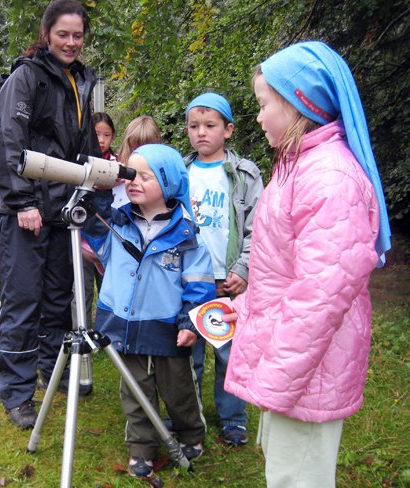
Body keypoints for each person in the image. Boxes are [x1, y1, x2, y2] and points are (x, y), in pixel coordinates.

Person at [224, 41, 391, 487]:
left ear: (299, 103)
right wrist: (245, 308)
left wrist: (276, 379)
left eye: (263, 105)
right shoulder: (298, 166)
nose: (257, 117)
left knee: (298, 478)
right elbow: (282, 268)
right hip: (295, 362)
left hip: (305, 371)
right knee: (286, 469)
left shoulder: (329, 178)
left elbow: (321, 297)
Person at [0, 0, 102, 429]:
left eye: (77, 35)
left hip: (62, 209)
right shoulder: (28, 77)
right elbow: (9, 140)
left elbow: (83, 144)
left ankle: (50, 372)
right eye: (63, 34)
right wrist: (23, 202)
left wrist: (87, 195)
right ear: (47, 34)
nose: (71, 42)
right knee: (22, 302)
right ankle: (17, 394)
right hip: (26, 209)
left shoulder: (80, 80)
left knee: (59, 301)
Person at [82, 144, 215, 480]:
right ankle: (142, 446)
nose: (133, 182)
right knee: (134, 389)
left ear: (168, 183)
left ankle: (190, 434)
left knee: (178, 388)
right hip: (125, 325)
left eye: (144, 176)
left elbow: (199, 282)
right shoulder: (118, 221)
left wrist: (190, 320)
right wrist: (99, 184)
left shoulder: (186, 233)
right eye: (130, 174)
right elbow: (88, 222)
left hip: (169, 327)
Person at [184, 92, 263, 446]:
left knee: (230, 353)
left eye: (210, 126)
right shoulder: (180, 172)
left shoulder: (244, 174)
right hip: (190, 280)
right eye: (194, 126)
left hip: (227, 281)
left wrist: (244, 268)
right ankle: (187, 414)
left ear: (228, 130)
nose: (201, 133)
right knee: (190, 350)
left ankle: (233, 418)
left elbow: (257, 228)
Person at [73, 112, 118, 331]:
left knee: (108, 288)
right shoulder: (77, 160)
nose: (101, 140)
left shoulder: (118, 162)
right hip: (81, 237)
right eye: (96, 134)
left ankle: (106, 332)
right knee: (82, 289)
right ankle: (82, 331)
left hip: (109, 237)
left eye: (106, 135)